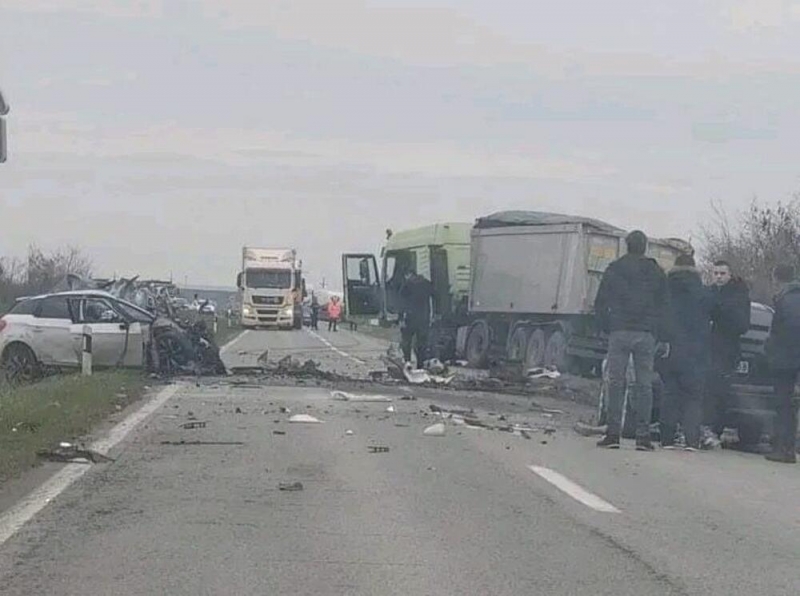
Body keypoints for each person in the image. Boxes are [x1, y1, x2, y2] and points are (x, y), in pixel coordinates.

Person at [594, 230, 669, 451]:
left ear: (627, 245)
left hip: (619, 331)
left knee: (616, 382)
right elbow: (665, 305)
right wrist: (660, 334)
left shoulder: (614, 269)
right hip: (645, 334)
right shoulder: (656, 272)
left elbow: (601, 301)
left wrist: (606, 327)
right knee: (644, 385)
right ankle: (643, 437)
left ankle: (612, 434)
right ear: (645, 247)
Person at [659, 254, 713, 451]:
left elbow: (660, 316)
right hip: (696, 350)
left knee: (670, 393)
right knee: (693, 396)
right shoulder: (703, 291)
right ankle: (691, 439)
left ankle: (667, 438)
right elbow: (711, 315)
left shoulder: (665, 289)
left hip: (671, 348)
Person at [704, 260, 751, 447]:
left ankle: (715, 429)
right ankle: (703, 428)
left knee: (720, 392)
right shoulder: (708, 292)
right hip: (706, 349)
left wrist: (721, 311)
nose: (718, 277)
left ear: (729, 275)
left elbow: (743, 325)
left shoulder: (738, 295)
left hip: (726, 350)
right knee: (705, 390)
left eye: (722, 273)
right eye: (716, 273)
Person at [764, 264, 800, 464]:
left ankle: (782, 449)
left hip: (786, 360)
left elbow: (779, 332)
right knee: (792, 406)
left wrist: (769, 348)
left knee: (783, 405)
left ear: (776, 278)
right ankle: (789, 448)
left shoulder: (784, 300)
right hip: (794, 359)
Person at [399, 270, 434, 367]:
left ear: (409, 274)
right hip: (424, 317)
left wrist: (400, 317)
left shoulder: (407, 284)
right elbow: (435, 296)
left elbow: (401, 301)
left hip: (410, 317)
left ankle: (407, 362)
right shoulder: (427, 283)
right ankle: (420, 364)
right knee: (421, 343)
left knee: (406, 341)